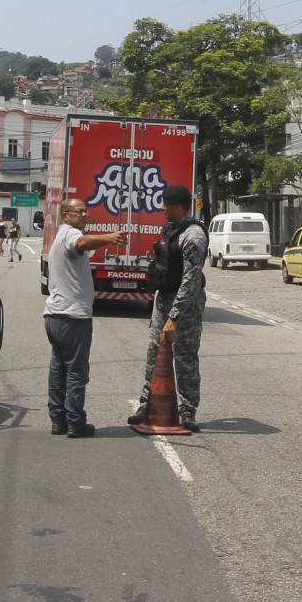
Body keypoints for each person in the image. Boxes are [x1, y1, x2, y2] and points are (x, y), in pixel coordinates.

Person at [44, 197, 126, 437]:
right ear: (65, 215)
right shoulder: (69, 234)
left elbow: (83, 243)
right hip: (73, 316)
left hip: (55, 316)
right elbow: (81, 242)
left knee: (58, 369)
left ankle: (58, 419)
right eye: (78, 211)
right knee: (77, 371)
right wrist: (108, 238)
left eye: (85, 212)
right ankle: (75, 422)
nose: (84, 215)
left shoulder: (60, 236)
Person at [128, 186, 207, 432]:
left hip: (186, 306)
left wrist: (174, 316)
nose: (162, 209)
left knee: (185, 357)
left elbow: (191, 280)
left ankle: (187, 410)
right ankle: (146, 405)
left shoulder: (194, 236)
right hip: (163, 300)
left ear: (177, 205)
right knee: (155, 353)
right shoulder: (171, 228)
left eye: (165, 204)